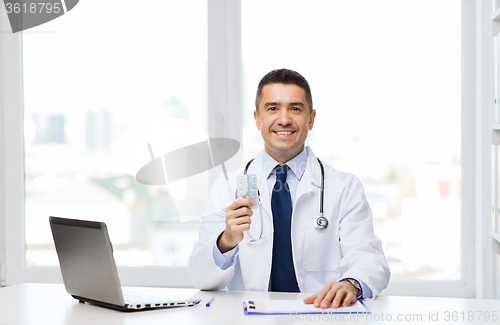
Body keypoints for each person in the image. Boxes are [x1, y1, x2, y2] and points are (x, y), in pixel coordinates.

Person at [188, 68, 390, 308]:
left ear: (311, 119)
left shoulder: (345, 187)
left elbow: (369, 259)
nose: (284, 119)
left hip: (320, 315)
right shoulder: (228, 187)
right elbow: (200, 276)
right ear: (257, 119)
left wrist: (351, 284)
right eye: (272, 108)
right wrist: (227, 240)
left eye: (295, 108)